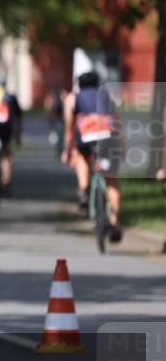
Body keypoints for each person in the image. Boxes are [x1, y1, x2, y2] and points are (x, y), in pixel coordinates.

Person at [61, 70, 123, 243]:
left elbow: (68, 129)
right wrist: (122, 147)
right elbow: (117, 121)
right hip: (107, 137)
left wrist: (67, 150)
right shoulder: (108, 94)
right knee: (112, 181)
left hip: (87, 135)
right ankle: (115, 221)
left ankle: (84, 190)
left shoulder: (73, 98)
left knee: (81, 155)